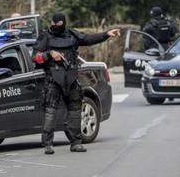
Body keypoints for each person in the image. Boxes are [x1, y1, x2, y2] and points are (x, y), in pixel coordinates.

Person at [32, 12, 120, 154]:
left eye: (59, 24)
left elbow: (89, 39)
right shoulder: (45, 36)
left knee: (75, 112)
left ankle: (76, 143)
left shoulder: (72, 34)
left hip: (72, 78)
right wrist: (49, 54)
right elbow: (34, 57)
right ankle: (48, 144)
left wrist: (106, 34)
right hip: (53, 79)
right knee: (50, 113)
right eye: (54, 24)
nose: (56, 27)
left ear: (63, 23)